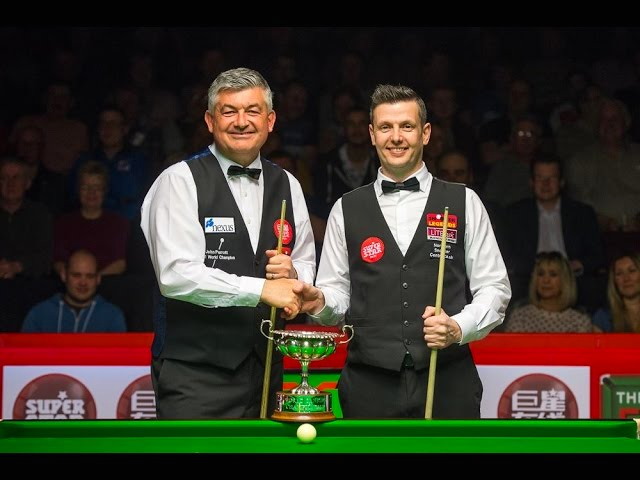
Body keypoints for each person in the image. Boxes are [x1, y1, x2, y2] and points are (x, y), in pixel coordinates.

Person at [297, 84, 511, 419]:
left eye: (407, 126)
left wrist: (458, 327)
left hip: (447, 379)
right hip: (369, 383)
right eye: (386, 127)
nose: (396, 137)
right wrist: (320, 302)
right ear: (372, 134)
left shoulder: (464, 201)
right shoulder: (346, 208)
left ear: (425, 133)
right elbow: (336, 296)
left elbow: (495, 287)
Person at [140, 67, 316, 419]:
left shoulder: (288, 184)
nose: (241, 122)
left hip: (266, 370)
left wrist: (295, 275)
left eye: (252, 111)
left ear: (270, 121)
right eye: (229, 111)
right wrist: (262, 289)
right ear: (210, 120)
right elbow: (176, 275)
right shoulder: (179, 181)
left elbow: (306, 262)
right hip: (195, 376)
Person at [22, 249, 126, 333]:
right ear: (64, 275)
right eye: (76, 275)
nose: (83, 282)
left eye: (90, 276)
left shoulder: (113, 316)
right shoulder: (39, 314)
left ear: (98, 279)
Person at [504, 251, 593, 333]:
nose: (546, 280)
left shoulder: (579, 322)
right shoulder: (521, 317)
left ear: (565, 280)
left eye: (553, 274)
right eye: (541, 274)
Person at [592, 252, 640, 333]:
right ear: (614, 281)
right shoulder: (602, 318)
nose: (626, 279)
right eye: (619, 274)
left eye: (632, 271)